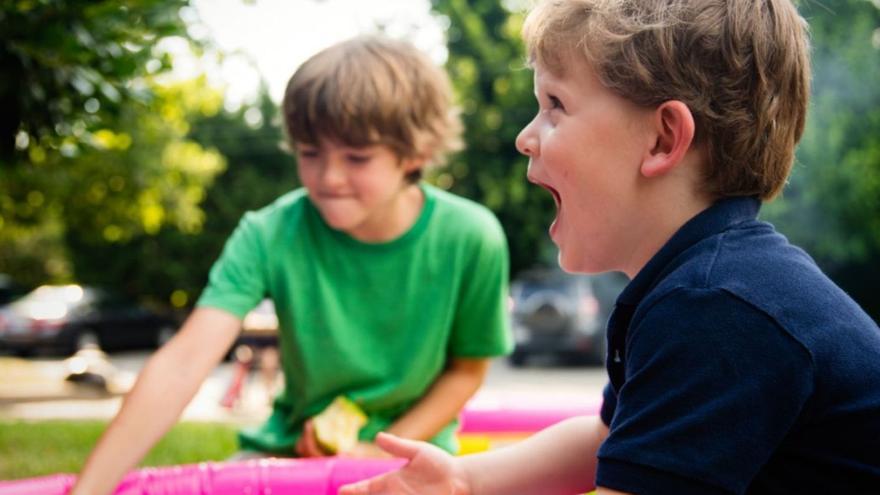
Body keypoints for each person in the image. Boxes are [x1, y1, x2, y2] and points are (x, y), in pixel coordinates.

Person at [339, 0, 880, 494]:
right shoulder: (707, 282)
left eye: (555, 104)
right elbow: (606, 439)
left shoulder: (718, 308)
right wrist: (464, 480)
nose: (525, 137)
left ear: (663, 139)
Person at [68, 35, 512, 495]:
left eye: (357, 157)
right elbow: (184, 362)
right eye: (309, 153)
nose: (329, 177)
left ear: (415, 154)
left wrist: (383, 448)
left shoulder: (471, 236)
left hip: (415, 454)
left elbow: (467, 370)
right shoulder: (268, 233)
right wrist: (90, 491)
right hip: (287, 453)